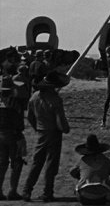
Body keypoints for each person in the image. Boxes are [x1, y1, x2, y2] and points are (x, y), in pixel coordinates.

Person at [22, 70, 71, 202]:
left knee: (36, 163)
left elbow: (30, 117)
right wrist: (66, 129)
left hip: (41, 133)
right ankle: (47, 193)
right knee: (51, 165)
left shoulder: (34, 96)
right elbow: (60, 122)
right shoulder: (55, 99)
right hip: (53, 134)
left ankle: (27, 190)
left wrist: (38, 128)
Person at [69, 134, 110, 205]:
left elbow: (72, 172)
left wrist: (80, 177)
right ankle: (109, 198)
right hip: (102, 198)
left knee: (81, 180)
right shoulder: (106, 160)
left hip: (84, 198)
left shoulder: (83, 160)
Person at [0, 76, 26, 201]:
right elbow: (19, 123)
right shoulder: (15, 102)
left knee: (2, 163)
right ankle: (12, 191)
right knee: (16, 163)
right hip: (13, 135)